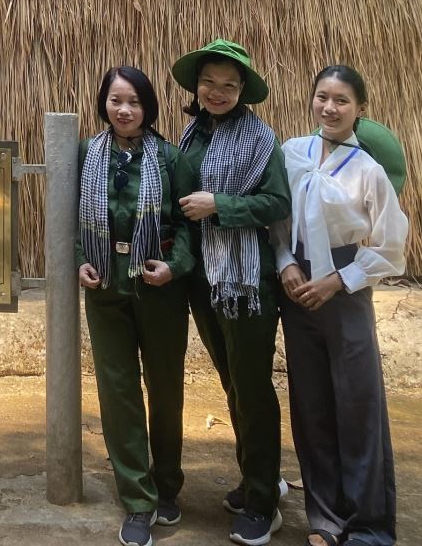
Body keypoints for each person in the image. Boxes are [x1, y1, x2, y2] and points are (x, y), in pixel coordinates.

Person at [273, 65, 408, 546]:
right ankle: (326, 519)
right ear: (312, 99)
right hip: (296, 289)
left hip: (345, 290)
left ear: (359, 109)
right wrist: (285, 262)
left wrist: (338, 281)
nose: (329, 108)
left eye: (342, 100)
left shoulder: (368, 170)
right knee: (310, 402)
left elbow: (391, 246)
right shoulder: (292, 152)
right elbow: (278, 218)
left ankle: (368, 525)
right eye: (322, 97)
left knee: (357, 401)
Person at [170, 39, 291, 546]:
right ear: (196, 86)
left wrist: (219, 204)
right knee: (232, 383)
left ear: (243, 91)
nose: (216, 92)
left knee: (252, 387)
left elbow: (277, 202)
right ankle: (258, 477)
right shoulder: (192, 132)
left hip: (245, 280)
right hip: (204, 278)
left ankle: (263, 504)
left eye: (228, 85)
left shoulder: (261, 139)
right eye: (209, 82)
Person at [77, 66, 197, 546]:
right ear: (103, 104)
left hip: (159, 287)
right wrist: (80, 261)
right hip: (105, 285)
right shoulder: (86, 154)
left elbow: (189, 226)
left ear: (148, 106)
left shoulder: (170, 158)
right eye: (115, 101)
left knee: (165, 387)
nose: (124, 110)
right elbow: (69, 217)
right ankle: (138, 500)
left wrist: (174, 266)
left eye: (134, 102)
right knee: (118, 391)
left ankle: (167, 484)